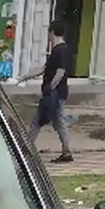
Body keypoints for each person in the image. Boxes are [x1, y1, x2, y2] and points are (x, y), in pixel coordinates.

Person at [28, 26, 75, 161]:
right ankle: (66, 152)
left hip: (55, 94)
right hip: (55, 93)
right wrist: (24, 77)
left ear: (52, 32)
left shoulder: (62, 50)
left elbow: (60, 72)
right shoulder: (56, 50)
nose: (48, 36)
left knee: (37, 121)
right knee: (58, 122)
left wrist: (50, 87)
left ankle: (26, 150)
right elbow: (44, 69)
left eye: (48, 33)